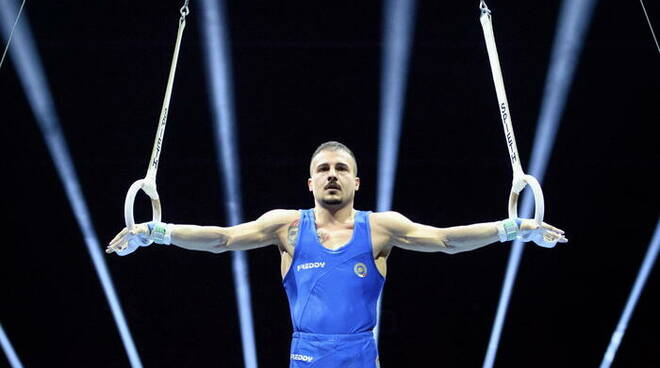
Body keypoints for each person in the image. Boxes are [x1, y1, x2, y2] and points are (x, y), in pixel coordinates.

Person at [107, 141, 566, 367]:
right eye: (323, 169)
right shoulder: (285, 227)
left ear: (356, 182)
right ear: (310, 182)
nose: (332, 175)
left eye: (341, 169)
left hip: (361, 356)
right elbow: (222, 238)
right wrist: (156, 231)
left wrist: (516, 227)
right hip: (305, 355)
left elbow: (447, 239)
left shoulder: (381, 227)